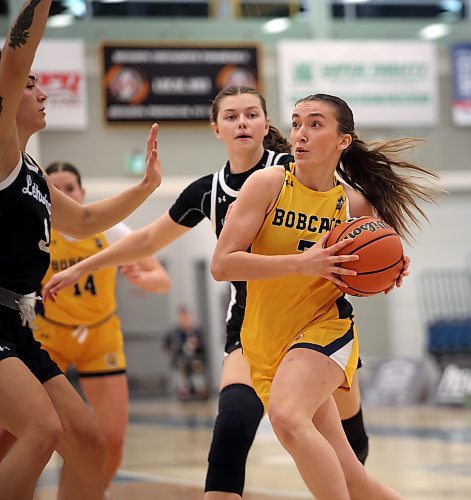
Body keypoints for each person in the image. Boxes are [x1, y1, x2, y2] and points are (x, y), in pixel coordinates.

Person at [43, 86, 368, 498]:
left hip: (313, 318)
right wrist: (83, 267)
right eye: (231, 116)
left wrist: (386, 254)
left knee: (350, 443)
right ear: (216, 129)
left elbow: (358, 209)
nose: (242, 123)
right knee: (232, 425)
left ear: (267, 125)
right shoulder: (208, 190)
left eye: (251, 114)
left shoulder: (299, 165)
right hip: (251, 324)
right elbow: (146, 241)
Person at [210, 93, 439, 499]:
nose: (300, 134)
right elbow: (222, 264)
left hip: (324, 329)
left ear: (342, 141)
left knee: (287, 417)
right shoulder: (267, 185)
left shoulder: (353, 205)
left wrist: (393, 270)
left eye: (315, 124)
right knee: (352, 475)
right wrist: (301, 263)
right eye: (296, 123)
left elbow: (373, 266)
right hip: (264, 341)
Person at [0, 1, 162, 497]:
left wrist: (144, 188)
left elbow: (87, 220)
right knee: (40, 431)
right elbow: (14, 58)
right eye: (32, 86)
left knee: (90, 446)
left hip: (18, 324)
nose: (42, 91)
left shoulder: (31, 172)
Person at [164, 305, 208, 401]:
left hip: (196, 358)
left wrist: (197, 344)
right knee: (182, 365)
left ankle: (200, 388)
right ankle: (183, 389)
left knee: (197, 365)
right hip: (181, 358)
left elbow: (204, 346)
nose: (184, 319)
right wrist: (173, 349)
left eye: (186, 317)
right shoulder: (174, 332)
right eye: (182, 317)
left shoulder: (197, 330)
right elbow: (166, 345)